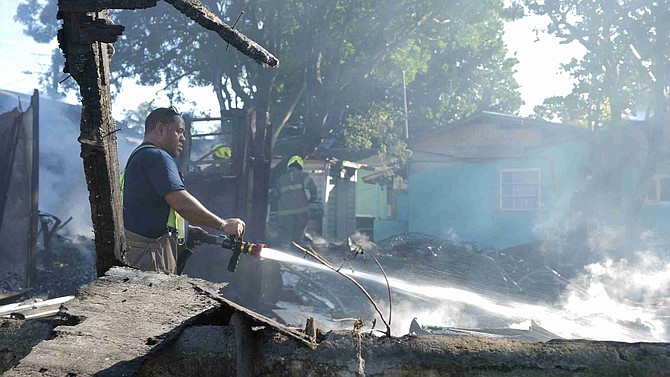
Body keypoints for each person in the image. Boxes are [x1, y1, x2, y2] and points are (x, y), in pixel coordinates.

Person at [121, 106, 245, 274]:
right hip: (150, 256)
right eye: (179, 131)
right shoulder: (158, 157)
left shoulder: (139, 157)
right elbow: (182, 203)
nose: (183, 139)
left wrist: (186, 231)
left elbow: (147, 211)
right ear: (160, 129)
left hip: (139, 251)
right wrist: (223, 225)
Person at [270, 155, 318, 247]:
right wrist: (312, 199)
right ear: (300, 166)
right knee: (297, 238)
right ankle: (297, 253)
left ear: (289, 165)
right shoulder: (303, 176)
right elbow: (312, 188)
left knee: (284, 238)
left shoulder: (281, 179)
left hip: (284, 214)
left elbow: (275, 195)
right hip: (301, 213)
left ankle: (283, 255)